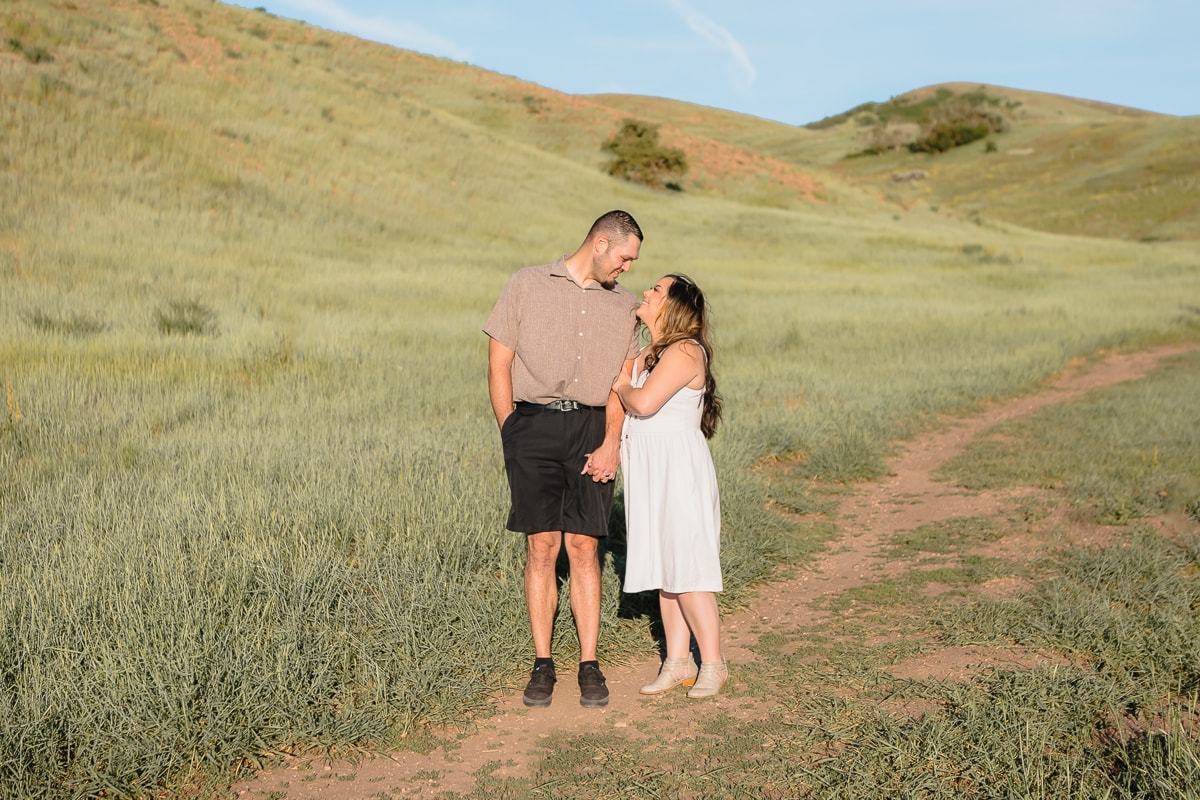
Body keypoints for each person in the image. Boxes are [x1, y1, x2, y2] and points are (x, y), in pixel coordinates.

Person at [484, 210, 644, 708]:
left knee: (583, 547)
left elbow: (624, 379)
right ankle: (542, 662)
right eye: (624, 258)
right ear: (600, 243)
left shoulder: (626, 307)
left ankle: (589, 665)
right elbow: (499, 362)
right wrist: (511, 430)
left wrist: (612, 440)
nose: (627, 269)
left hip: (592, 430)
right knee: (541, 546)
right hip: (531, 426)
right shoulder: (526, 284)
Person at [614, 274, 728, 699]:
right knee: (666, 569)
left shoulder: (684, 351)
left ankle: (714, 663)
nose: (646, 291)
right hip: (651, 471)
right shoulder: (648, 353)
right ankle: (677, 662)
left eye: (656, 291)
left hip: (678, 470)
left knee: (688, 569)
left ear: (675, 306)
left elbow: (642, 403)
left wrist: (620, 384)